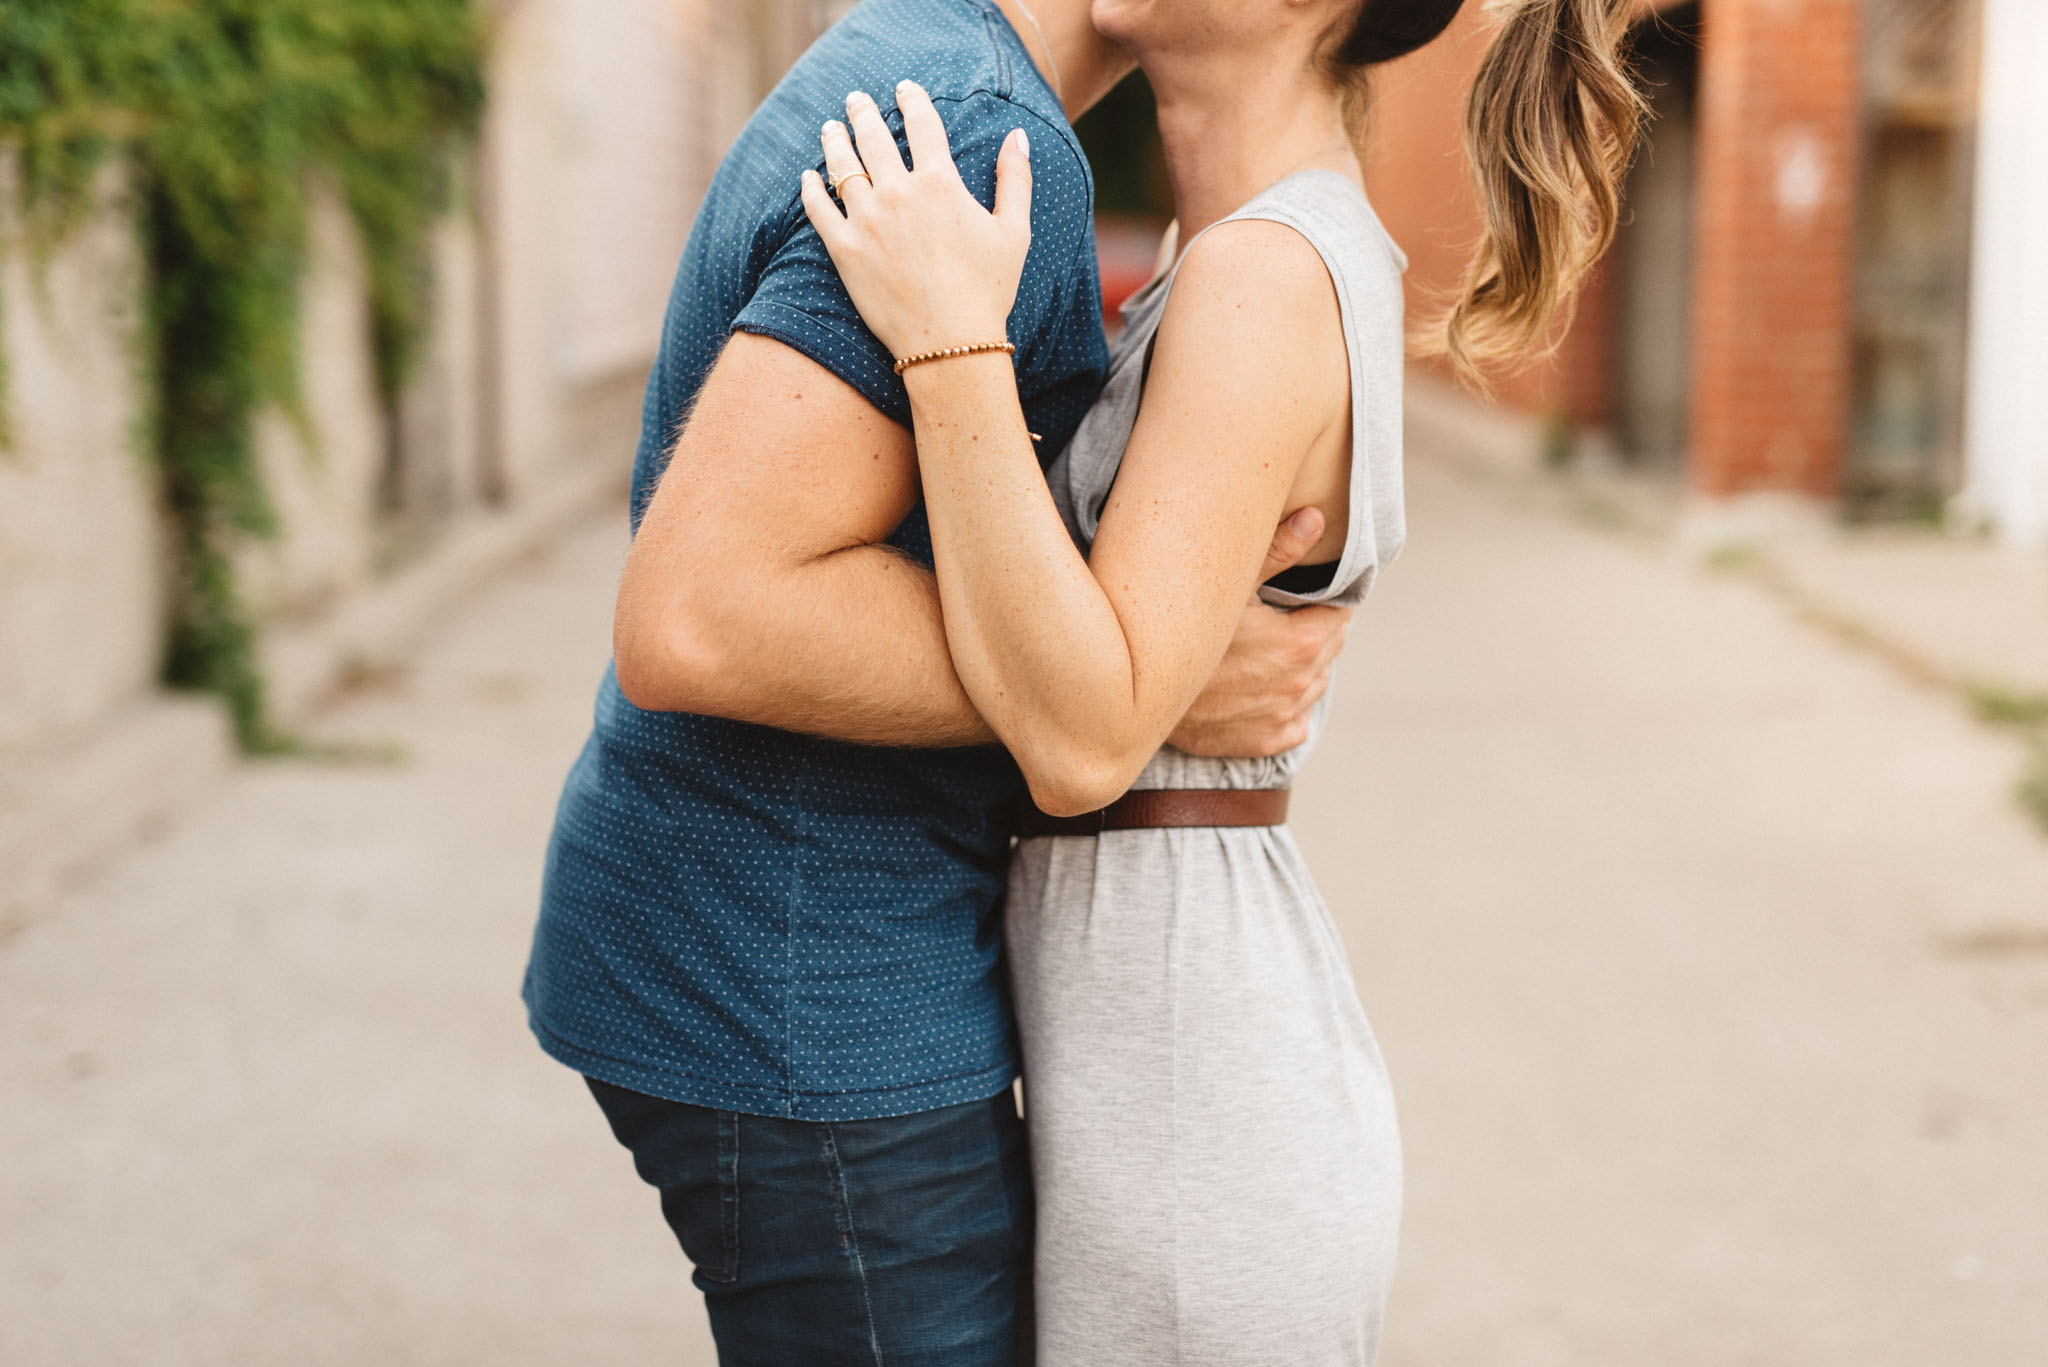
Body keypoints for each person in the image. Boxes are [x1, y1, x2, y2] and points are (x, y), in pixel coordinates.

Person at [798, 0, 1643, 1358]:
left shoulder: (1268, 273)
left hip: (1195, 1113)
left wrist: (948, 339)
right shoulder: (1243, 255)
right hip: (1175, 1059)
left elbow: (1081, 739)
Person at [520, 1, 1356, 1362]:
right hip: (806, 972)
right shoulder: (982, 137)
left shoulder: (943, 73)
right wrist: (1144, 688)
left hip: (793, 941)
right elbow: (705, 614)